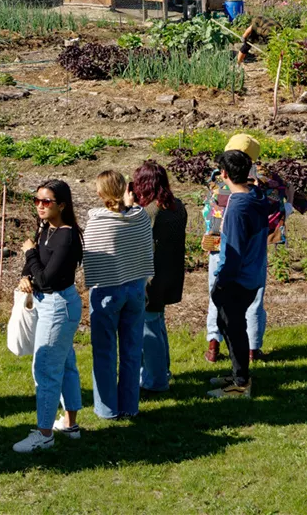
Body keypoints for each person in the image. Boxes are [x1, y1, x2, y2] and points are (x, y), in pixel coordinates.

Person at [14, 181, 84, 453]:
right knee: (65, 364)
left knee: (44, 368)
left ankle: (44, 433)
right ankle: (69, 424)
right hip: (49, 304)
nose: (40, 206)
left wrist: (29, 253)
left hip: (58, 306)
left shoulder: (66, 236)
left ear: (62, 205)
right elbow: (35, 268)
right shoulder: (46, 229)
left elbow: (45, 277)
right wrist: (24, 275)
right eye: (37, 201)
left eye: (47, 202)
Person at [203, 133, 282, 363]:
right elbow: (277, 211)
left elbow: (207, 210)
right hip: (251, 249)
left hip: (217, 244)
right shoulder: (264, 182)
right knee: (253, 299)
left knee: (216, 295)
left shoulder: (217, 178)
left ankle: (213, 345)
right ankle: (252, 348)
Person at [84, 169, 154, 420]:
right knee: (132, 349)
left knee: (104, 352)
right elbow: (147, 250)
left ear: (101, 192)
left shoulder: (97, 221)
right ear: (125, 188)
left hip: (107, 291)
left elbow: (90, 257)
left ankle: (106, 409)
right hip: (136, 288)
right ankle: (129, 406)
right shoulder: (140, 217)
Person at [207, 149, 265, 399]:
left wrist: (221, 283)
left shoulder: (239, 207)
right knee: (227, 323)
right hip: (253, 275)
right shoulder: (256, 196)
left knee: (233, 328)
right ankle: (237, 372)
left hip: (238, 279)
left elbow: (234, 253)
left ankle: (241, 383)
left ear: (224, 174)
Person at [129, 161, 186, 392]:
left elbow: (133, 241)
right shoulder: (177, 206)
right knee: (158, 324)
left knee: (149, 329)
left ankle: (155, 380)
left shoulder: (148, 212)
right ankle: (163, 370)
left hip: (150, 279)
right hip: (170, 274)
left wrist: (129, 208)